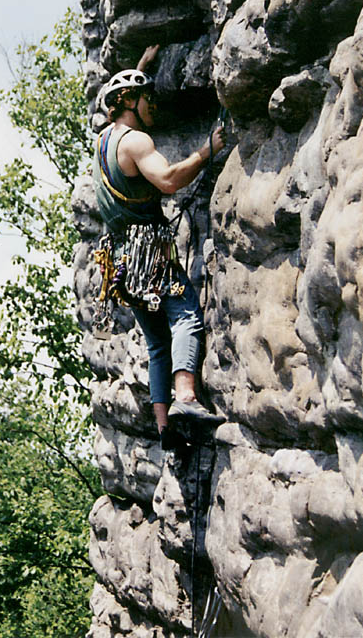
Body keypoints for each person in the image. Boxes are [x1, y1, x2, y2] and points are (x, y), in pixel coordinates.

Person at [93, 45, 225, 449]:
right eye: (147, 97)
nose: (154, 105)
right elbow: (168, 180)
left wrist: (141, 68)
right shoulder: (135, 141)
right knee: (185, 313)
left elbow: (119, 103)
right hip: (148, 251)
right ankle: (186, 397)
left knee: (156, 343)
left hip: (119, 262)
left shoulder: (103, 141)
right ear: (129, 102)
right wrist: (209, 149)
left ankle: (165, 428)